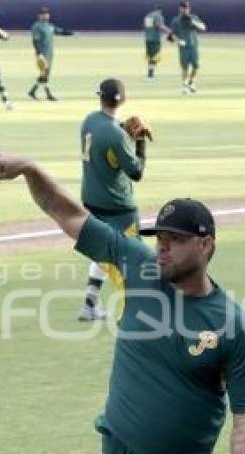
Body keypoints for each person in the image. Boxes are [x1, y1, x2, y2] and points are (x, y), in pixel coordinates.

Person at [0, 149, 245, 454]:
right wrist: (31, 171)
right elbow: (69, 215)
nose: (162, 248)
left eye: (175, 241)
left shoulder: (232, 325)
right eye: (160, 239)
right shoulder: (139, 266)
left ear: (206, 244)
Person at [78, 78, 147, 322]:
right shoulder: (117, 135)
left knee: (104, 251)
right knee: (135, 259)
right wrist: (139, 142)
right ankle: (138, 313)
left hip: (91, 201)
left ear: (100, 96)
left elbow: (106, 135)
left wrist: (122, 129)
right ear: (124, 99)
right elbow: (136, 172)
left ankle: (89, 305)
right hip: (118, 207)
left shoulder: (89, 121)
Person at [27, 6, 74, 102]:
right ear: (39, 16)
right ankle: (48, 94)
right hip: (42, 55)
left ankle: (32, 92)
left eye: (46, 14)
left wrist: (70, 33)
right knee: (45, 74)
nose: (45, 16)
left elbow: (59, 31)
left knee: (44, 75)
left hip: (49, 54)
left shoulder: (50, 26)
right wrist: (39, 53)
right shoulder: (37, 26)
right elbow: (35, 41)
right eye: (42, 14)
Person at [168, 1, 206, 95]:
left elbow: (203, 28)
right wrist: (178, 41)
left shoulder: (193, 17)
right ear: (180, 9)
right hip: (184, 47)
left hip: (193, 46)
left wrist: (193, 23)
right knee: (184, 67)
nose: (185, 10)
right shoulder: (176, 21)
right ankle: (184, 86)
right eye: (183, 8)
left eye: (187, 8)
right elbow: (171, 36)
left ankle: (191, 81)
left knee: (196, 66)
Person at [142, 4, 172, 80]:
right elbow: (160, 26)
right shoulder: (158, 16)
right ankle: (151, 75)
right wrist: (170, 31)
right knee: (155, 57)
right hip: (155, 39)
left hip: (148, 38)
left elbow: (146, 27)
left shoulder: (148, 15)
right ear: (160, 10)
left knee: (150, 57)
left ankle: (150, 74)